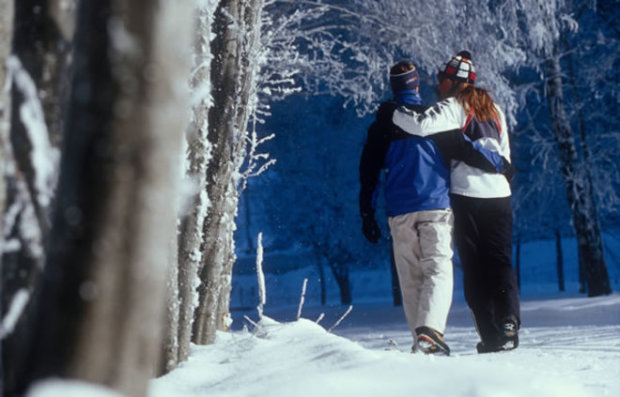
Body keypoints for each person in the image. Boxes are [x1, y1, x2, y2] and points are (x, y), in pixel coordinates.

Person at [359, 61, 512, 356]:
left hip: (400, 209)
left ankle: (423, 341)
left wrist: (367, 211)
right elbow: (469, 150)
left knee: (411, 278)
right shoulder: (436, 119)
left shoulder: (382, 123)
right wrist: (501, 165)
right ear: (416, 85)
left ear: (394, 86)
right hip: (436, 206)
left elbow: (368, 170)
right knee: (438, 269)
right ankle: (430, 333)